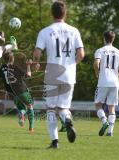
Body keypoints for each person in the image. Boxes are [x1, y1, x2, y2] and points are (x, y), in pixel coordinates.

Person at [33, 1, 85, 148]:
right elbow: (81, 53)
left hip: (52, 74)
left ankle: (55, 141)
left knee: (50, 108)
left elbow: (37, 52)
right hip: (69, 75)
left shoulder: (45, 31)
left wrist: (36, 63)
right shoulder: (74, 30)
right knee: (63, 108)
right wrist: (72, 65)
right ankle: (67, 119)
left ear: (51, 13)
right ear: (65, 13)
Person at [94, 31, 119, 137]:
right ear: (113, 39)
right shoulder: (118, 52)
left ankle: (104, 122)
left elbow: (96, 63)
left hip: (103, 81)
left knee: (98, 105)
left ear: (104, 38)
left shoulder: (100, 50)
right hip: (114, 83)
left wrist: (97, 73)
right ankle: (110, 132)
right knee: (111, 108)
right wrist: (117, 75)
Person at [0, 52, 35, 132]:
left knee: (22, 108)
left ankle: (22, 114)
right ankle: (31, 128)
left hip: (12, 94)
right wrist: (28, 65)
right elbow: (28, 75)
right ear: (12, 59)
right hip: (22, 90)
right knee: (30, 106)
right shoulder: (15, 67)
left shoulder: (2, 68)